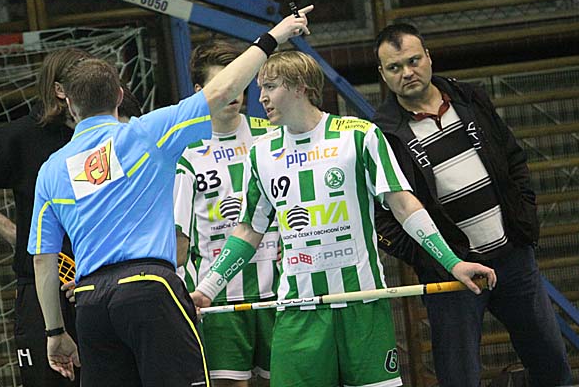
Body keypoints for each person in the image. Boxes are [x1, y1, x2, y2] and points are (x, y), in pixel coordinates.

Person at [27, 8, 313, 387]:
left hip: (91, 302)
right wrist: (273, 36)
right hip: (149, 290)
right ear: (119, 95)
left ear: (69, 104)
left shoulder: (50, 169)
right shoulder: (147, 132)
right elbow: (222, 89)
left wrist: (54, 332)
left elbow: (43, 260)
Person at [190, 50, 497, 387]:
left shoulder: (359, 136)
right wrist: (207, 290)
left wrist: (453, 263)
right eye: (261, 88)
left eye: (271, 87)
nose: (261, 97)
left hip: (362, 303)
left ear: (300, 87)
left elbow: (403, 205)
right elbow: (249, 230)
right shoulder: (261, 152)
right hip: (299, 308)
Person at [372, 23, 572, 386]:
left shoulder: (470, 98)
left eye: (413, 61)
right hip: (451, 276)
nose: (407, 72)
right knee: (458, 378)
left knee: (551, 363)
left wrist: (524, 222)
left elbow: (514, 160)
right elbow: (382, 218)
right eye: (395, 67)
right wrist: (432, 259)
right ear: (383, 75)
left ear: (428, 57)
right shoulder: (380, 134)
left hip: (513, 258)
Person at [0, 47, 141, 387]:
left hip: (104, 283)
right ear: (59, 91)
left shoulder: (110, 131)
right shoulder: (16, 139)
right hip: (43, 289)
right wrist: (13, 231)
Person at [174, 41, 279, 387]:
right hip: (216, 297)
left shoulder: (273, 135)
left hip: (278, 290)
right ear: (200, 92)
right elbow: (178, 237)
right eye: (224, 84)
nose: (233, 93)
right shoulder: (185, 150)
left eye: (240, 82)